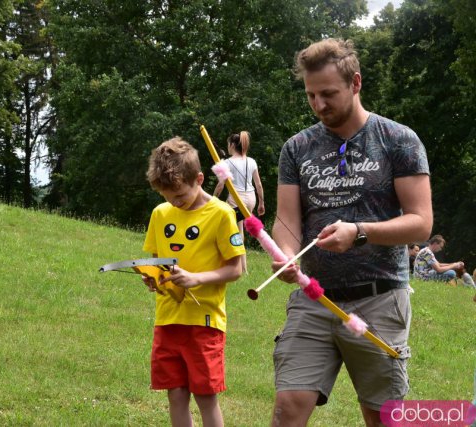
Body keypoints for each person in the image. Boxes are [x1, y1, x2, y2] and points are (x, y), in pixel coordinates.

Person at [270, 38, 432, 426]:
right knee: (288, 408)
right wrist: (286, 253)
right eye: (311, 95)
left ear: (355, 83)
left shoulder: (399, 141)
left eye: (328, 94)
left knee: (381, 418)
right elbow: (287, 220)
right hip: (314, 298)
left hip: (378, 300)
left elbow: (421, 222)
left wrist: (360, 231)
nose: (319, 105)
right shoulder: (297, 148)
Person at [143, 137, 245, 427]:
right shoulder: (160, 214)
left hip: (205, 322)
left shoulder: (222, 214)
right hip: (167, 319)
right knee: (175, 393)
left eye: (180, 195)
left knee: (205, 395)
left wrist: (195, 279)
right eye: (167, 196)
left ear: (199, 179)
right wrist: (154, 279)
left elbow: (235, 269)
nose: (174, 202)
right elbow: (156, 262)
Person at [212, 131, 265, 273]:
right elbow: (258, 185)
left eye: (228, 144)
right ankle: (243, 269)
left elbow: (220, 185)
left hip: (236, 199)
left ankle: (237, 268)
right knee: (239, 231)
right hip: (251, 199)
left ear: (232, 145)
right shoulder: (252, 161)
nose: (227, 147)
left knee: (232, 231)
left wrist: (213, 199)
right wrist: (261, 203)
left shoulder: (227, 163)